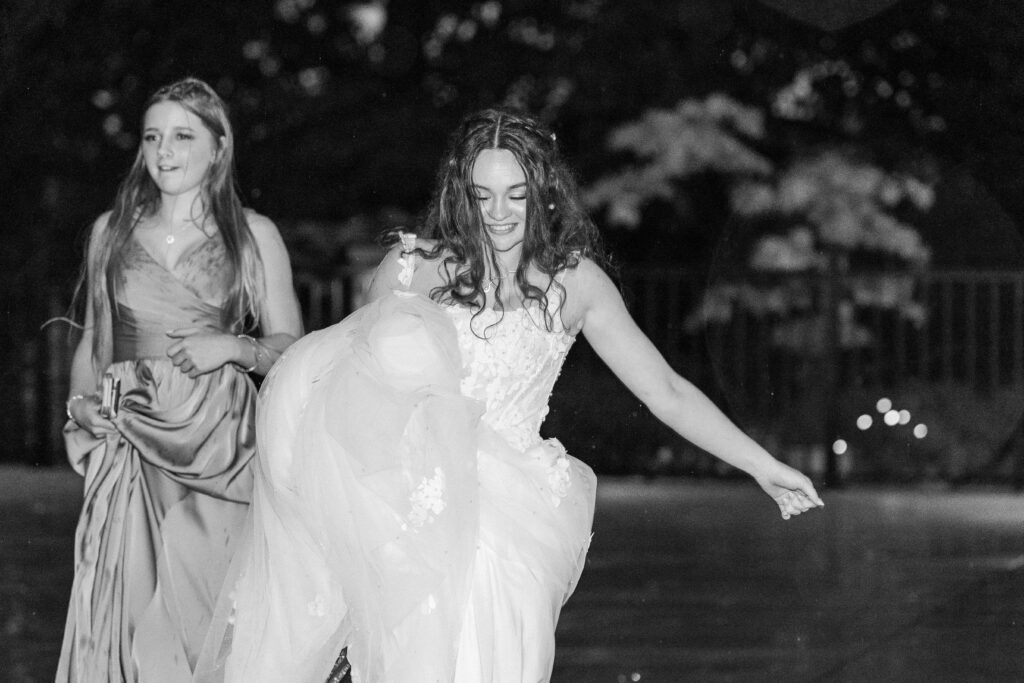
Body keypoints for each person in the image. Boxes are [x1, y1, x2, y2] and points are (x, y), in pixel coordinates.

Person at [200, 108, 823, 683]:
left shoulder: (576, 283)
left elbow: (666, 391)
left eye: (517, 195)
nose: (499, 212)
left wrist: (762, 465)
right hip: (410, 508)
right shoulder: (409, 270)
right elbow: (351, 394)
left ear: (543, 194)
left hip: (512, 518)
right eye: (483, 195)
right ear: (459, 195)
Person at [56, 77, 303, 682]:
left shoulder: (253, 235)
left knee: (203, 618)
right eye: (152, 137)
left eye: (182, 136)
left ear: (218, 147)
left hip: (216, 445)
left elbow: (293, 348)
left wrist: (233, 347)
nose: (164, 151)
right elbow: (94, 339)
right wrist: (80, 403)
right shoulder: (109, 233)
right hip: (131, 442)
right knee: (129, 615)